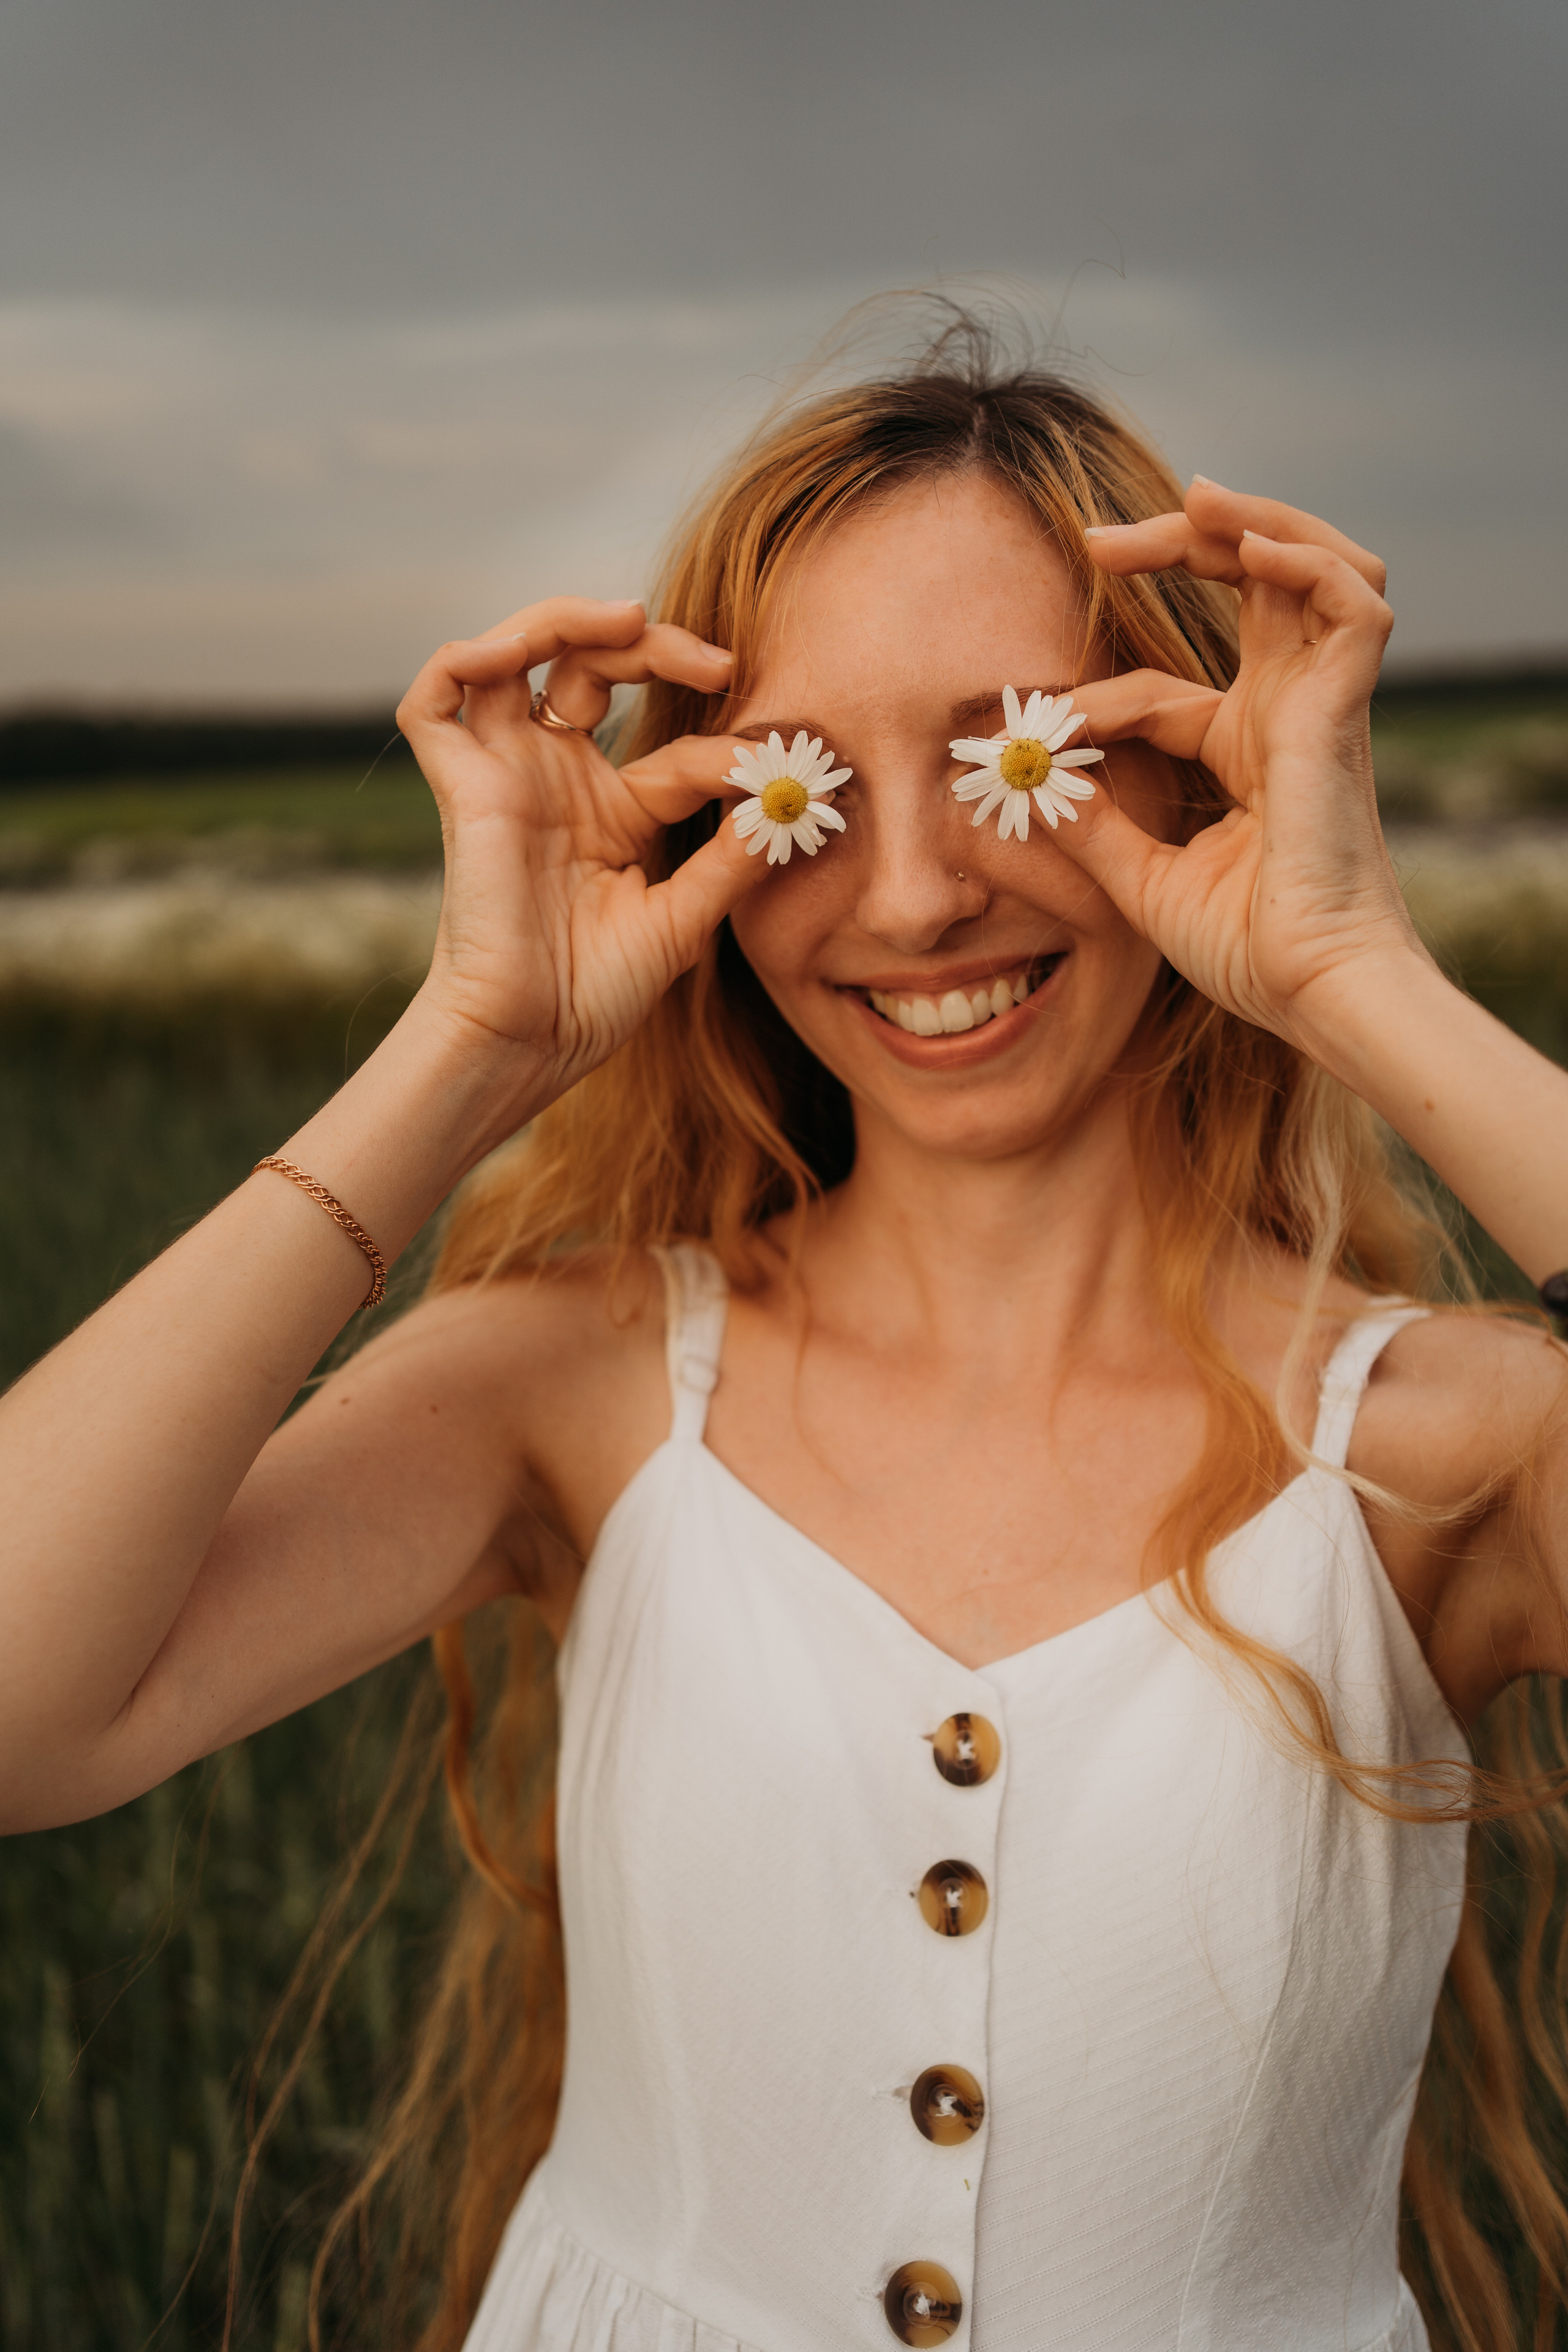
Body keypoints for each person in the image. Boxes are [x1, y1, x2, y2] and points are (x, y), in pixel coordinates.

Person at [4, 314, 1567, 2352]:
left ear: (1197, 759)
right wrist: (467, 1049)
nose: (911, 897)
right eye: (803, 783)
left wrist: (1356, 970)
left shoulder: (1443, 1451)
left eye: (1021, 749)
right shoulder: (578, 1386)